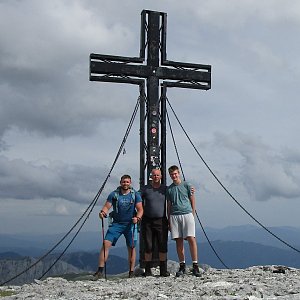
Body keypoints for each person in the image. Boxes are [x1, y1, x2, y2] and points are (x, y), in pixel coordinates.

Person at [94, 174, 143, 278]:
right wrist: (103, 212)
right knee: (106, 243)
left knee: (132, 247)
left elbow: (140, 209)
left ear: (130, 183)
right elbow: (107, 206)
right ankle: (100, 270)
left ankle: (131, 272)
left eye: (127, 182)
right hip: (116, 224)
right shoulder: (114, 194)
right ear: (120, 183)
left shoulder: (135, 195)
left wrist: (137, 218)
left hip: (130, 224)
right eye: (123, 182)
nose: (125, 184)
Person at [166, 165, 201, 277]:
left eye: (175, 174)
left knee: (191, 238)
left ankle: (195, 265)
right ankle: (182, 265)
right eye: (172, 174)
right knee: (178, 240)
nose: (174, 176)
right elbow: (169, 205)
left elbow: (192, 199)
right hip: (174, 215)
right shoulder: (170, 189)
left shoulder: (187, 185)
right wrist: (169, 219)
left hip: (187, 213)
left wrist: (192, 213)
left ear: (179, 173)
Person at [140, 168, 170, 277]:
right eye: (154, 175)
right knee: (148, 246)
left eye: (158, 175)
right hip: (147, 220)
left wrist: (190, 190)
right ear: (151, 176)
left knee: (162, 245)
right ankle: (147, 270)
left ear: (161, 176)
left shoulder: (165, 189)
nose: (156, 177)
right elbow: (136, 198)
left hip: (161, 220)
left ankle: (163, 270)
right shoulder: (145, 189)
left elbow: (176, 191)